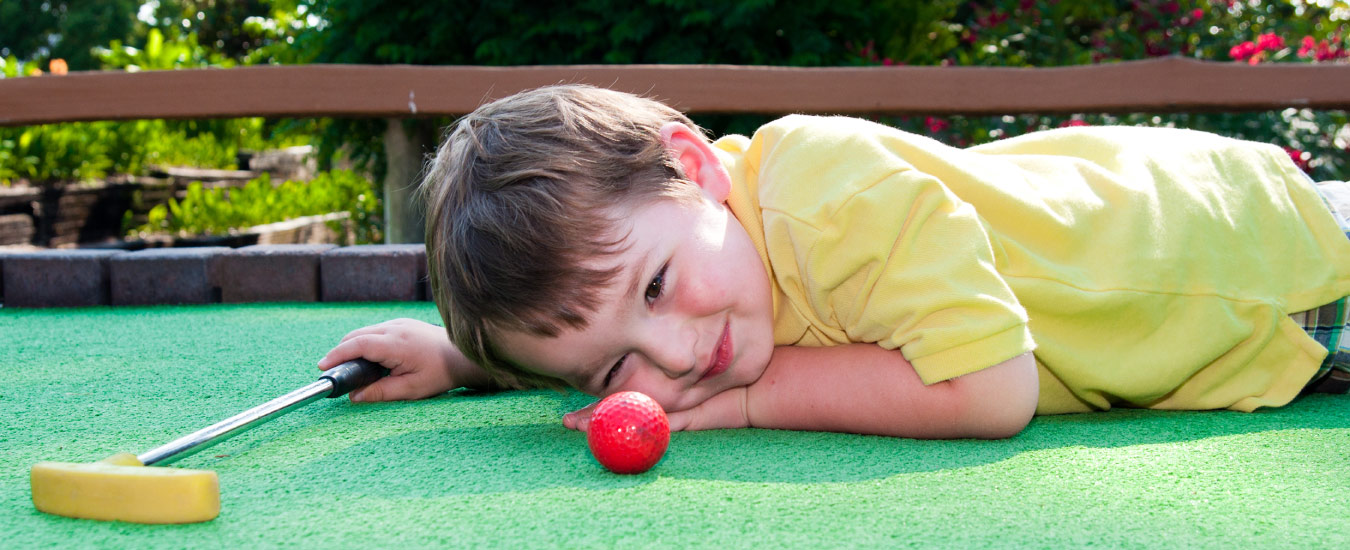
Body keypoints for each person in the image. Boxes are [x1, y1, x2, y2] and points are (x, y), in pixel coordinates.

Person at [319, 84, 1350, 439]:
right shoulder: (688, 249)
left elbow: (993, 389)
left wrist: (757, 405)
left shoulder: (828, 187)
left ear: (693, 164)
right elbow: (610, 322)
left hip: (1277, 269)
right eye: (608, 371)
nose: (677, 357)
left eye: (659, 288)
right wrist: (468, 361)